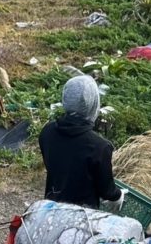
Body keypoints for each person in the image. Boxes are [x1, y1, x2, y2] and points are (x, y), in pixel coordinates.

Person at [38, 74, 124, 209]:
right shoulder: (99, 146)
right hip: (82, 218)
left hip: (52, 208)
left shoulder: (47, 132)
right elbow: (106, 191)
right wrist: (118, 196)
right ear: (93, 104)